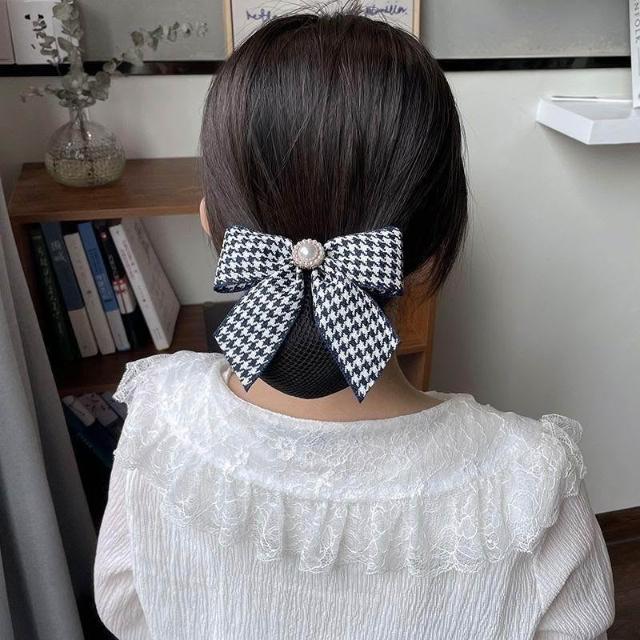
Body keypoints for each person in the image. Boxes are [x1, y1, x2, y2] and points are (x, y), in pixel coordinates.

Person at [94, 12, 614, 639]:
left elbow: (126, 612)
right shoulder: (532, 486)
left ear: (211, 223)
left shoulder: (158, 423)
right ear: (434, 251)